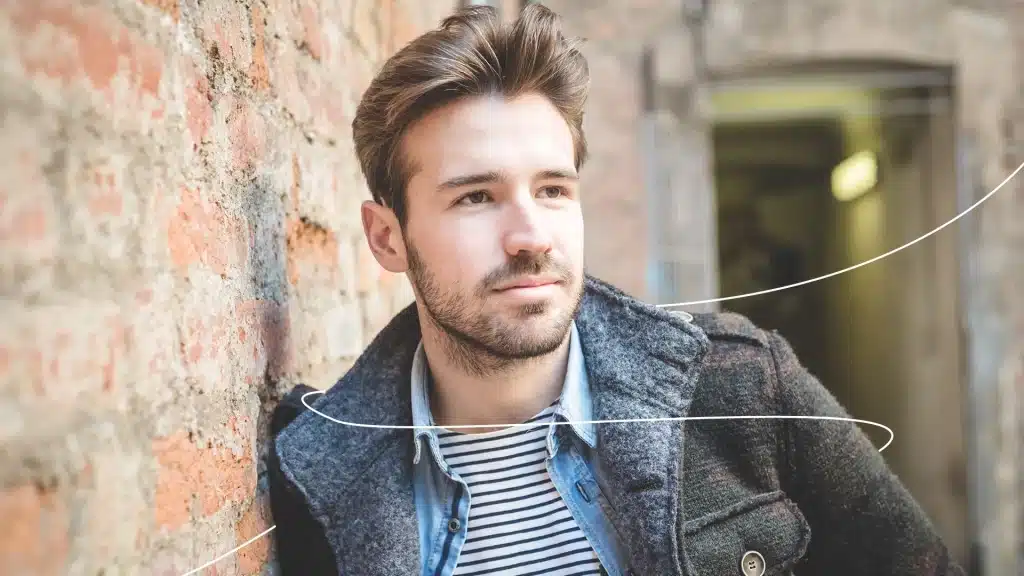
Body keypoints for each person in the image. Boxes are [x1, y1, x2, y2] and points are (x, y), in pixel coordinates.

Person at [267, 5, 964, 575]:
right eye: (477, 197)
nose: (530, 236)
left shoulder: (741, 386)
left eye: (552, 189)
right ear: (387, 237)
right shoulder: (322, 472)